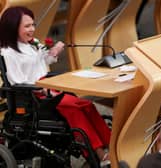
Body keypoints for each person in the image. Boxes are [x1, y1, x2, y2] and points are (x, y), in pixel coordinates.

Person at [0, 6, 111, 167]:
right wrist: (42, 88)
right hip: (34, 95)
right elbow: (17, 81)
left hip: (47, 87)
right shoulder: (8, 52)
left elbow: (40, 63)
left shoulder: (29, 45)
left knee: (86, 104)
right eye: (27, 26)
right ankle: (100, 153)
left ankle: (110, 143)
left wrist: (53, 52)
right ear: (12, 27)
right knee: (75, 109)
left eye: (33, 25)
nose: (32, 29)